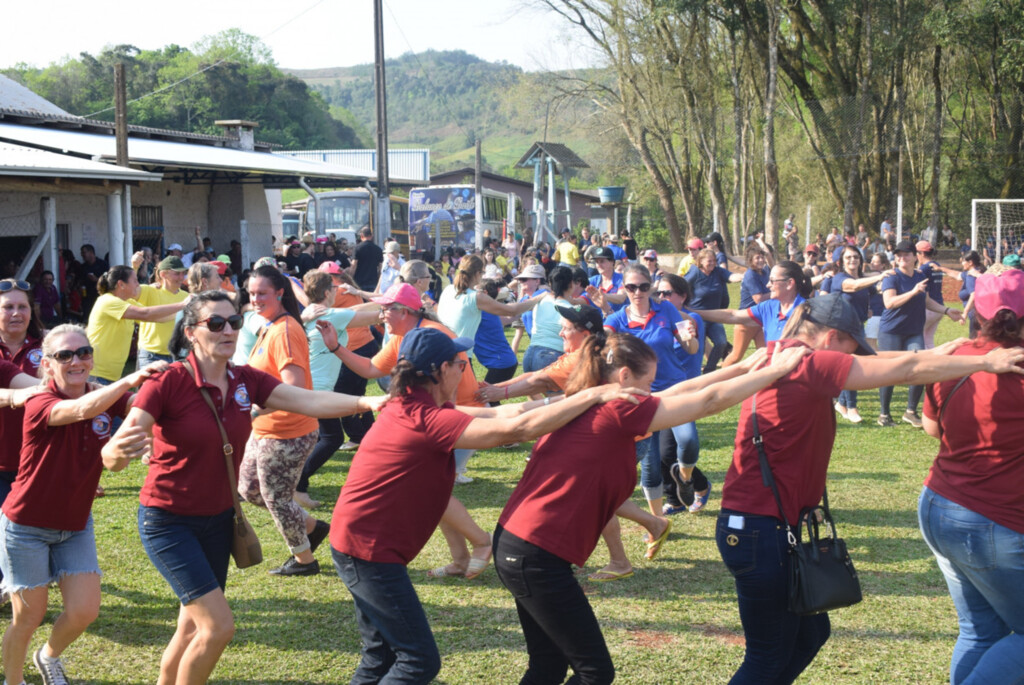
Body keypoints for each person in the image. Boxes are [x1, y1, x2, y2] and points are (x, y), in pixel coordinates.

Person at [716, 293, 1024, 684]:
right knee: (767, 656)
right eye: (851, 348)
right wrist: (984, 361)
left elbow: (884, 363)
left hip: (769, 527)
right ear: (830, 339)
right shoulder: (809, 364)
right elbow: (907, 370)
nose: (855, 358)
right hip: (759, 531)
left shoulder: (783, 350)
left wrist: (948, 351)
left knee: (810, 635)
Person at [101, 290, 385, 685]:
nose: (228, 330)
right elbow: (116, 454)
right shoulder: (165, 382)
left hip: (218, 520)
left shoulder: (244, 378)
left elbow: (307, 400)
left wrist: (365, 403)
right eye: (215, 324)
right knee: (218, 627)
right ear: (190, 333)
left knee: (190, 626)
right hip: (169, 522)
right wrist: (115, 451)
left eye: (233, 322)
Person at [329, 326, 641, 684]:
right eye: (461, 364)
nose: (464, 371)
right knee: (417, 661)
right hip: (367, 553)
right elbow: (517, 431)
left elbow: (506, 414)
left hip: (358, 545)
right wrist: (593, 397)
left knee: (380, 656)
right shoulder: (428, 420)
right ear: (440, 370)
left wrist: (579, 396)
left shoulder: (416, 405)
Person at [495, 332, 810, 685]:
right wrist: (774, 371)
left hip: (520, 546)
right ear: (625, 377)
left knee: (548, 665)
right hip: (534, 554)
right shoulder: (618, 409)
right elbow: (707, 402)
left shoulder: (588, 400)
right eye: (647, 382)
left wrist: (744, 368)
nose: (651, 391)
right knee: (594, 672)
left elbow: (676, 393)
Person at [1, 325, 163, 685]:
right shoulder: (39, 401)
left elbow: (141, 407)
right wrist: (127, 381)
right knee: (28, 617)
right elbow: (77, 410)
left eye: (84, 352)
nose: (77, 361)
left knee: (84, 611)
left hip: (75, 524)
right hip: (25, 526)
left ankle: (48, 656)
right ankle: (13, 680)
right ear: (47, 363)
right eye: (65, 355)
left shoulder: (104, 395)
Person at [918, 269, 1024, 685]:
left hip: (939, 506)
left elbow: (931, 428)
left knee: (981, 631)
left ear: (975, 311)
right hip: (992, 522)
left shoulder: (956, 355)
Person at [239, 265, 328, 576]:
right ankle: (313, 528)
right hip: (264, 430)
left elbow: (293, 388)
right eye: (251, 293)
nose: (255, 299)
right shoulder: (269, 324)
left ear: (279, 292)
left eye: (262, 293)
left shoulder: (286, 330)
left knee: (276, 498)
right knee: (249, 490)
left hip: (288, 432)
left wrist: (255, 409)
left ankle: (305, 561)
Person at [293, 271, 381, 509]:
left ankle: (295, 484)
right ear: (326, 292)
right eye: (334, 288)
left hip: (311, 387)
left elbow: (361, 311)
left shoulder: (311, 314)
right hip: (318, 390)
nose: (337, 292)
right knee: (332, 438)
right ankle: (297, 486)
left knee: (321, 437)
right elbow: (374, 316)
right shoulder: (331, 314)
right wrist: (396, 306)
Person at [876, 240, 963, 427]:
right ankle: (884, 414)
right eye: (898, 255)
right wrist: (913, 292)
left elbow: (927, 301)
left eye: (906, 254)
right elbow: (889, 303)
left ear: (915, 257)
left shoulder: (920, 275)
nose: (902, 258)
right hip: (892, 331)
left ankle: (910, 412)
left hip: (914, 331)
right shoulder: (892, 277)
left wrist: (947, 311)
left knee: (919, 368)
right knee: (889, 371)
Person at [86, 266, 187, 385]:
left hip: (109, 375)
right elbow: (145, 314)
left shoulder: (126, 302)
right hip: (96, 375)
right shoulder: (108, 301)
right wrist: (182, 304)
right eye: (135, 281)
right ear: (121, 284)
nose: (138, 284)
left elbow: (158, 317)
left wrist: (186, 310)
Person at [829, 245, 891, 423]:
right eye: (848, 257)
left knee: (851, 364)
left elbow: (875, 291)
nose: (852, 260)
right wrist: (879, 275)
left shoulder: (863, 279)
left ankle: (842, 404)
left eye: (856, 257)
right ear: (841, 261)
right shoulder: (839, 278)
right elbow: (854, 287)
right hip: (842, 329)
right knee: (849, 365)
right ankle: (852, 407)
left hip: (858, 327)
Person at [436, 255, 538, 359]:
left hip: (441, 350)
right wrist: (540, 297)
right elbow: (512, 310)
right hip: (460, 355)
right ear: (477, 273)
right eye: (482, 272)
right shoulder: (476, 297)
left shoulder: (448, 289)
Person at [0, 279, 45, 514]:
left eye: (22, 307)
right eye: (8, 307)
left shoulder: (52, 347)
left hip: (40, 463)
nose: (16, 313)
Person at [696, 260, 811, 350]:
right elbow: (732, 315)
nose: (767, 285)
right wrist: (694, 312)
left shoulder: (809, 312)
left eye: (772, 281)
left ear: (789, 283)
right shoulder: (769, 307)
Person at [683, 248, 743, 372]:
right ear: (701, 261)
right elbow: (681, 285)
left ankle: (709, 368)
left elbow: (731, 276)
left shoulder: (718, 272)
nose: (713, 263)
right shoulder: (695, 273)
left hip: (715, 316)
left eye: (714, 260)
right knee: (698, 346)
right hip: (697, 316)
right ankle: (693, 369)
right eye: (709, 261)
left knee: (721, 343)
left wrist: (744, 276)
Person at [722, 244, 773, 367]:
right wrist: (776, 293)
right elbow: (759, 299)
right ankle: (720, 375)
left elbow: (772, 262)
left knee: (765, 354)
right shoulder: (751, 275)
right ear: (750, 261)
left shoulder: (764, 271)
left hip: (760, 321)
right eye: (757, 258)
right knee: (736, 356)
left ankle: (763, 382)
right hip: (746, 321)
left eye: (762, 257)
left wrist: (762, 244)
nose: (761, 260)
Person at [135, 255, 191, 367]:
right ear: (163, 274)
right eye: (177, 273)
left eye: (183, 273)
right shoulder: (149, 290)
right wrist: (134, 267)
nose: (181, 277)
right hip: (151, 355)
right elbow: (128, 292)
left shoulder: (187, 296)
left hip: (178, 356)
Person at [588, 246, 627, 314]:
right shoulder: (592, 281)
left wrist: (602, 296)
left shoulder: (622, 278)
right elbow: (582, 301)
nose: (598, 265)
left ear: (612, 262)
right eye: (597, 262)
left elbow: (621, 298)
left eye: (602, 261)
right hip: (597, 323)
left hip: (618, 322)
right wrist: (575, 306)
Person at [351, 226, 384, 292]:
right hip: (373, 282)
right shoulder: (378, 249)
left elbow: (353, 266)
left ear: (361, 236)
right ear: (371, 236)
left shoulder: (357, 248)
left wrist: (350, 279)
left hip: (359, 282)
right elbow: (381, 268)